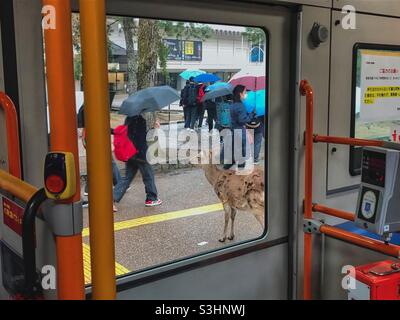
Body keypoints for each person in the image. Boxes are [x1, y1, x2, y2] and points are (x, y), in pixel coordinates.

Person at [113, 115, 162, 210]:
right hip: (141, 153)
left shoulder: (129, 118)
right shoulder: (144, 120)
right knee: (148, 176)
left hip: (130, 152)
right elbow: (148, 138)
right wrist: (155, 128)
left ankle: (111, 199)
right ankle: (151, 198)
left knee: (126, 178)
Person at [222, 85, 255, 170]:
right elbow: (242, 120)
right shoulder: (240, 106)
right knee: (242, 152)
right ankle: (240, 172)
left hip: (233, 130)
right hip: (239, 131)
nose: (246, 94)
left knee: (234, 150)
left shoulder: (232, 105)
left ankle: (226, 168)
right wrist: (251, 115)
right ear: (240, 94)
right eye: (245, 92)